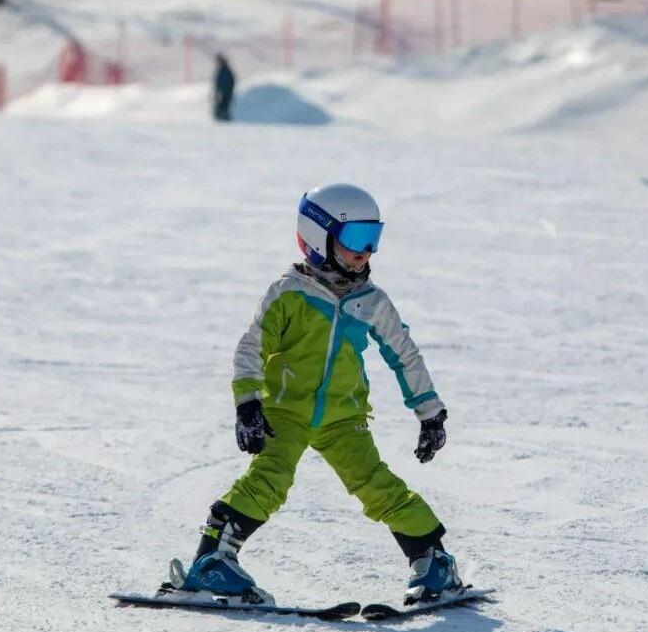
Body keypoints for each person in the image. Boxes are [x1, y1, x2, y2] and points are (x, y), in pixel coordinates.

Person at [165, 183, 461, 606]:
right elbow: (252, 347)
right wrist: (248, 402)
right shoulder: (289, 293)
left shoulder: (371, 301)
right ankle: (211, 562)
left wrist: (430, 412)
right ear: (319, 238)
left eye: (373, 239)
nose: (365, 253)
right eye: (355, 239)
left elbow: (404, 354)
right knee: (269, 479)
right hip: (285, 411)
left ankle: (434, 562)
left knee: (377, 485)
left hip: (344, 417)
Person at [213, 53, 235, 122]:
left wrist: (229, 89)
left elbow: (232, 80)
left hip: (226, 92)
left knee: (224, 104)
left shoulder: (226, 70)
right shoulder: (222, 70)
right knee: (221, 103)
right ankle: (220, 116)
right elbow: (217, 82)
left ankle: (224, 116)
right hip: (222, 91)